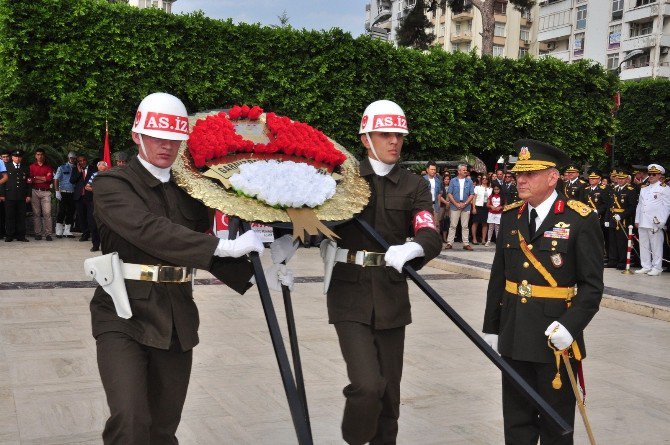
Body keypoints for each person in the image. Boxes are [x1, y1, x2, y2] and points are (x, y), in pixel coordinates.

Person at [90, 92, 265, 444]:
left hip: (176, 315)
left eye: (174, 139)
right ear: (137, 135)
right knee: (130, 418)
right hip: (123, 313)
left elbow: (216, 230)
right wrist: (221, 245)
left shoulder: (192, 191)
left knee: (163, 427)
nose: (166, 146)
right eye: (157, 136)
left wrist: (262, 268)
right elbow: (149, 231)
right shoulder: (112, 185)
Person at [325, 99, 441, 445]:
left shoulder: (413, 184)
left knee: (389, 397)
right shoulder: (340, 179)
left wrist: (416, 247)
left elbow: (428, 228)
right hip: (349, 293)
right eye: (385, 134)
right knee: (367, 385)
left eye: (399, 135)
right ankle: (355, 439)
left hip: (391, 294)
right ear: (365, 138)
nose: (394, 141)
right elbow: (312, 221)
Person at [483, 139, 603, 445]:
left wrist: (571, 326)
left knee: (555, 424)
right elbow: (499, 277)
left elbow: (592, 287)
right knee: (517, 422)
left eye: (530, 174)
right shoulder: (512, 215)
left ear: (553, 177)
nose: (520, 179)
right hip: (513, 332)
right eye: (518, 173)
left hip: (555, 336)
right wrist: (492, 326)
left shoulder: (579, 218)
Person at [634, 164, 670, 276]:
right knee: (643, 245)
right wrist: (637, 219)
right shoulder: (644, 188)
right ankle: (646, 265)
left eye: (653, 174)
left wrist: (662, 221)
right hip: (643, 221)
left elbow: (667, 206)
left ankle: (657, 267)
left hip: (655, 221)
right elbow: (640, 205)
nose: (651, 176)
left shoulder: (664, 188)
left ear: (660, 175)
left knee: (656, 245)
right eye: (649, 174)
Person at [605, 169, 638, 269]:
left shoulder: (630, 190)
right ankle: (613, 261)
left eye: (622, 179)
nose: (619, 180)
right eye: (618, 178)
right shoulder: (614, 189)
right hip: (613, 217)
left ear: (627, 179)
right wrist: (607, 219)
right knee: (612, 241)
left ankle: (622, 262)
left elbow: (632, 207)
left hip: (623, 220)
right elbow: (609, 206)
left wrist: (622, 216)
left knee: (622, 241)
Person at [2, 149, 31, 242]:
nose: (17, 158)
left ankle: (21, 236)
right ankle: (9, 235)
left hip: (22, 196)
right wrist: (2, 194)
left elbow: (29, 183)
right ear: (12, 157)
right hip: (9, 195)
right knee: (9, 216)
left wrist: (28, 195)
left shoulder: (25, 168)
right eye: (15, 157)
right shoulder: (6, 166)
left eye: (19, 157)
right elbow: (2, 182)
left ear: (21, 158)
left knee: (21, 216)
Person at [445, 163, 475, 250]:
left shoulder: (469, 181)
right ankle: (449, 243)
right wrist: (456, 203)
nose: (466, 171)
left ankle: (466, 244)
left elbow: (472, 194)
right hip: (455, 206)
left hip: (466, 206)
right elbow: (449, 193)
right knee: (453, 225)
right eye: (464, 170)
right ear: (459, 171)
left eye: (466, 170)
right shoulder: (453, 180)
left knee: (465, 226)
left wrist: (465, 204)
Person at [28, 148, 55, 241]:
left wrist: (36, 177)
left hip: (46, 192)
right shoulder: (31, 167)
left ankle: (48, 234)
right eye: (38, 154)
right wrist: (42, 178)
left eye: (41, 154)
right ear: (35, 156)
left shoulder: (48, 167)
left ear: (44, 155)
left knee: (47, 213)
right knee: (36, 213)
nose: (40, 156)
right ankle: (38, 233)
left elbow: (49, 179)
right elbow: (30, 179)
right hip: (34, 191)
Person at [85, 160, 109, 252]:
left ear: (106, 167)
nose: (102, 166)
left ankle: (106, 245)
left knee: (106, 224)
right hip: (96, 202)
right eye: (100, 165)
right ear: (98, 167)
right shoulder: (94, 175)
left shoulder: (109, 175)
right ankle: (95, 245)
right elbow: (87, 186)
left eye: (104, 164)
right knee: (94, 223)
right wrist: (97, 189)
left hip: (107, 203)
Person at [54, 151, 78, 238]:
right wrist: (57, 191)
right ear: (68, 158)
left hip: (73, 193)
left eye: (74, 158)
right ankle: (58, 231)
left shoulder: (77, 168)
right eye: (71, 158)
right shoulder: (62, 167)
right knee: (62, 211)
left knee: (71, 212)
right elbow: (56, 179)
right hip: (63, 192)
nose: (72, 159)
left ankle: (67, 231)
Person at [70, 154, 93, 241]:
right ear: (78, 162)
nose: (82, 162)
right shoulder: (75, 169)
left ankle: (92, 232)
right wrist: (79, 172)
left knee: (90, 216)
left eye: (83, 160)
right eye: (80, 161)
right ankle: (85, 234)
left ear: (86, 160)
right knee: (81, 216)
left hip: (90, 196)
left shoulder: (92, 168)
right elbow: (72, 181)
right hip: (79, 197)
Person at [471, 175, 491, 245]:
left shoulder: (490, 189)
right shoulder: (477, 187)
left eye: (486, 179)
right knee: (475, 223)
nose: (484, 180)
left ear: (488, 180)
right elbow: (474, 198)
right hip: (478, 206)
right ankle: (474, 239)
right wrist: (473, 208)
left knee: (485, 224)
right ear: (481, 180)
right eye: (483, 178)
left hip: (486, 207)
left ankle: (483, 239)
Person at [438, 174, 451, 245]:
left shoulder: (451, 187)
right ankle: (438, 237)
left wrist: (449, 203)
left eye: (448, 179)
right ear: (443, 180)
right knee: (439, 221)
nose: (446, 180)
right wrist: (446, 202)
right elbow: (439, 196)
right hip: (441, 206)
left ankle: (445, 238)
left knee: (446, 222)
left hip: (449, 207)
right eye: (445, 179)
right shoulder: (441, 186)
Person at [0, 150, 8, 239]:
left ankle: (4, 232)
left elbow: (5, 178)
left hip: (7, 193)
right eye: (3, 156)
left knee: (4, 214)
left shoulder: (1, 163)